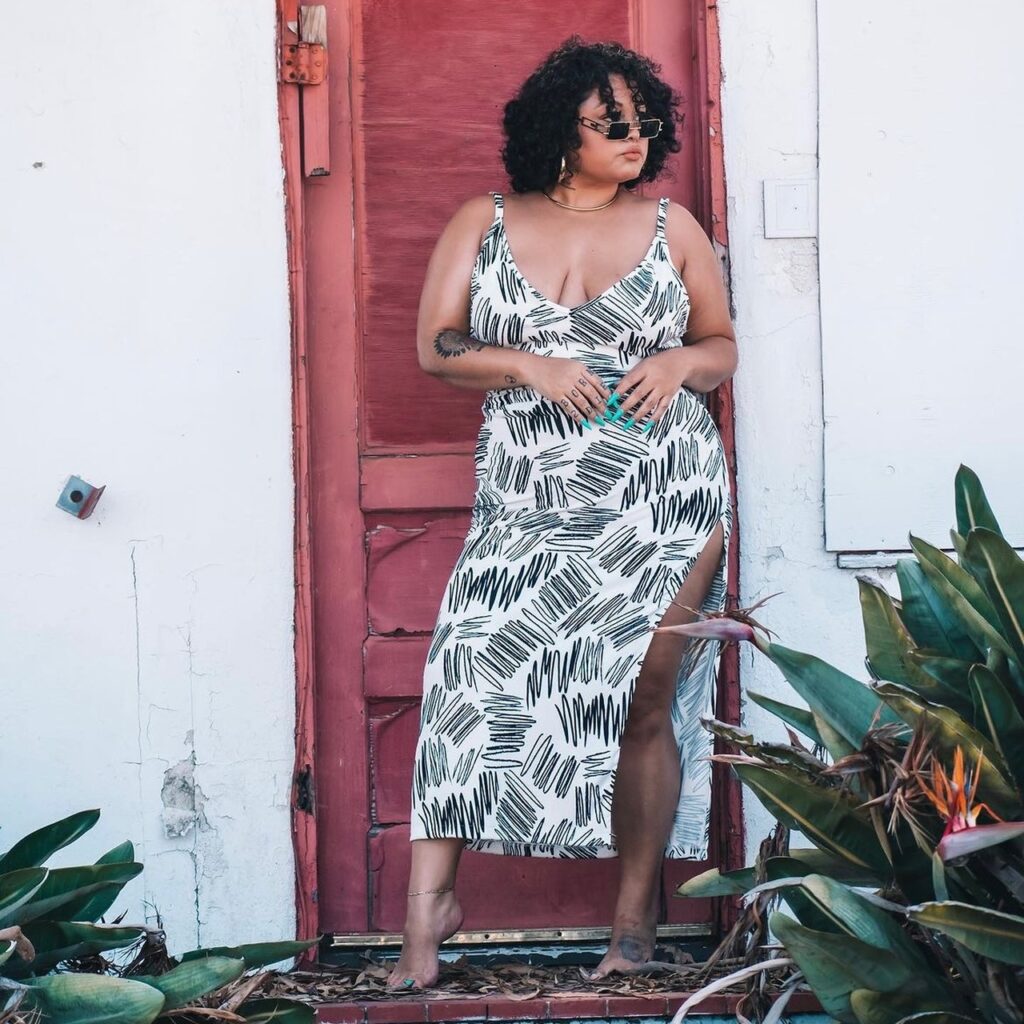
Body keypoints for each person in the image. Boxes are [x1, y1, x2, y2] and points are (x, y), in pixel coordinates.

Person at [386, 36, 738, 991]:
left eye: (645, 120)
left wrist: (679, 362)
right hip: (530, 496)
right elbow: (436, 347)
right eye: (611, 121)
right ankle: (430, 915)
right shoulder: (485, 220)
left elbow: (720, 345)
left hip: (661, 492)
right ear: (559, 129)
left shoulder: (673, 226)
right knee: (466, 677)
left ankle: (634, 923)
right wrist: (528, 364)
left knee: (642, 695)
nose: (637, 135)